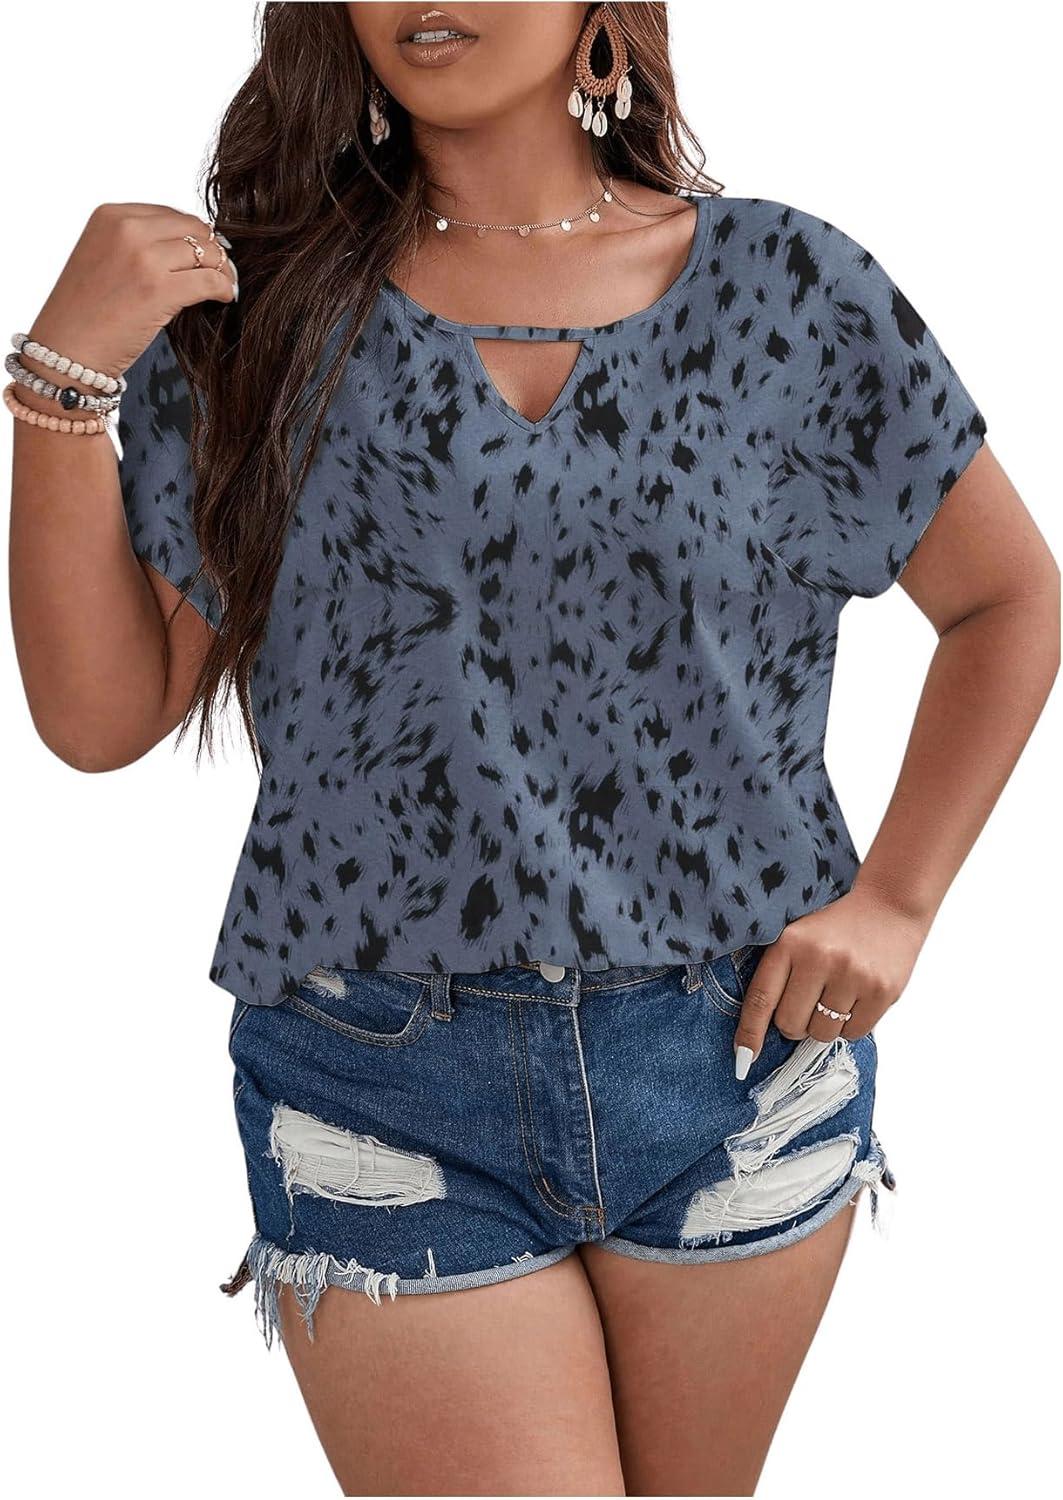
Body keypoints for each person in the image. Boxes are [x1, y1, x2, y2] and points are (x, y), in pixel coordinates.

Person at [7, 3, 1058, 1495]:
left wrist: (898, 899)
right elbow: (99, 715)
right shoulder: (262, 315)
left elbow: (1008, 599)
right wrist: (59, 384)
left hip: (736, 1054)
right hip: (378, 1069)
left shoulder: (792, 285)